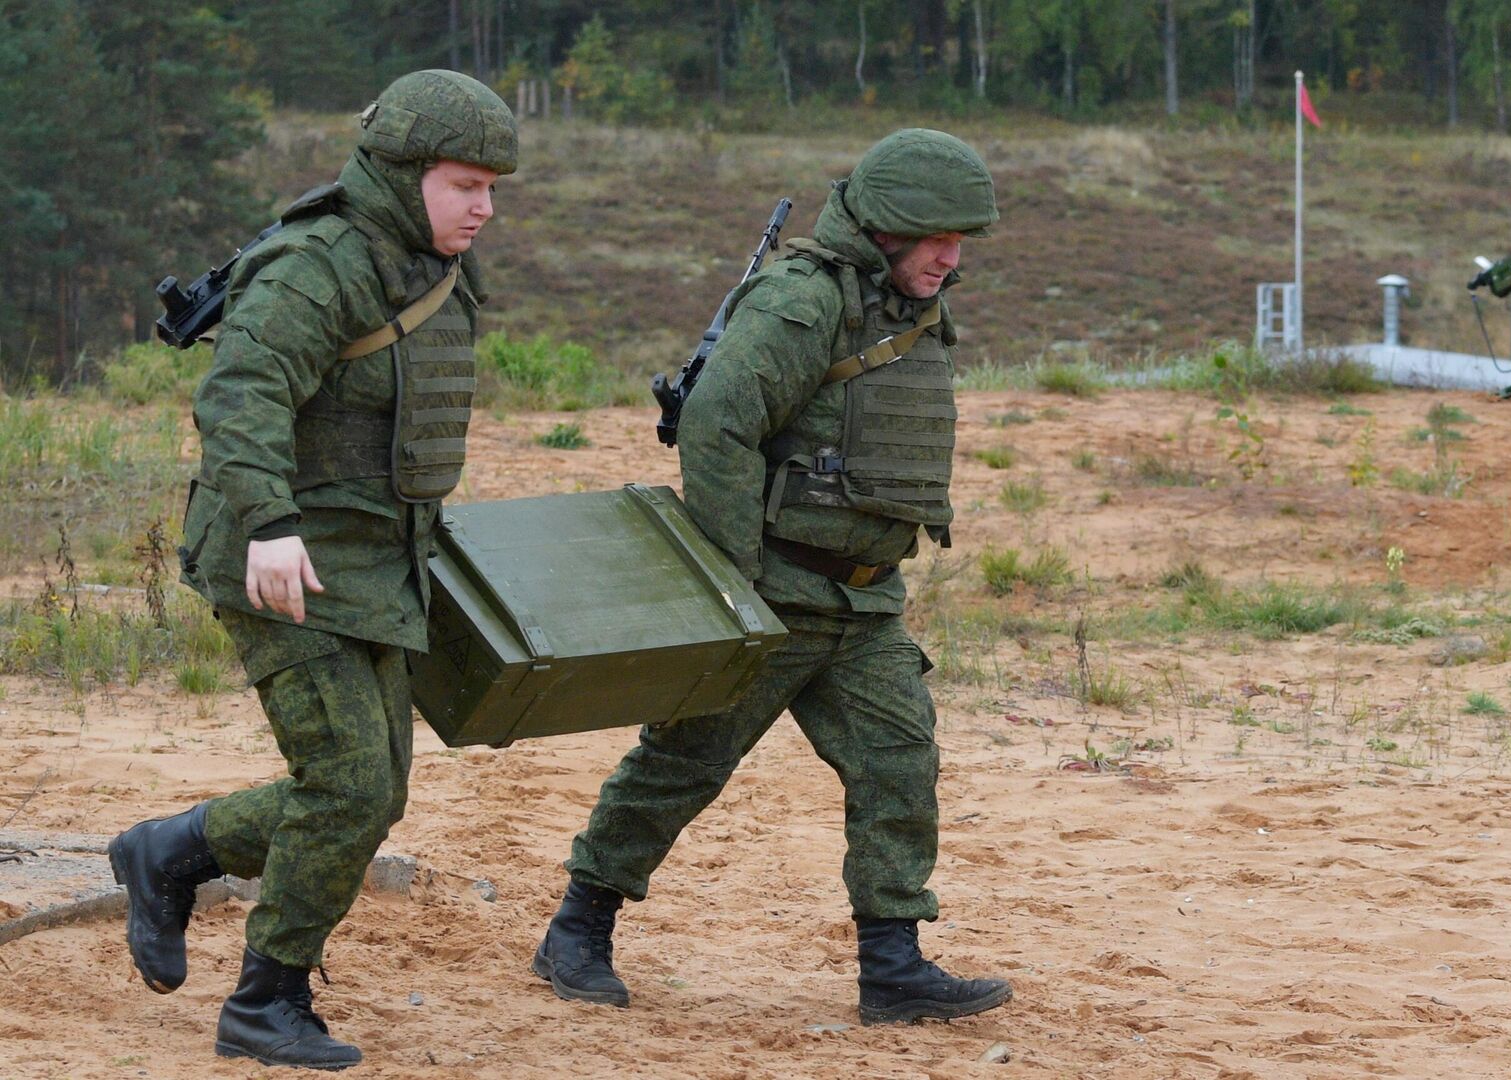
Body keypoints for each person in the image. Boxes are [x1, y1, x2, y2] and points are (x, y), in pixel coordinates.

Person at [533, 129, 1011, 1026]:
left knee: (899, 767)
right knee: (684, 763)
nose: (952, 255)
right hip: (775, 591)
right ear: (886, 230)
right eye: (937, 236)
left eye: (963, 239)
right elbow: (718, 427)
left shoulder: (907, 304)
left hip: (864, 601)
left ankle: (893, 964)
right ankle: (577, 928)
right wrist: (734, 586)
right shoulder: (802, 301)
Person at [106, 69, 516, 1070]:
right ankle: (266, 999)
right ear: (406, 171)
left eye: (493, 187)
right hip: (273, 561)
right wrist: (271, 522)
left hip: (374, 571)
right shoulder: (317, 266)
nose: (485, 206)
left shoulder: (425, 269)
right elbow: (241, 397)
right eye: (465, 183)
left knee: (372, 796)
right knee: (344, 784)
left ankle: (172, 851)